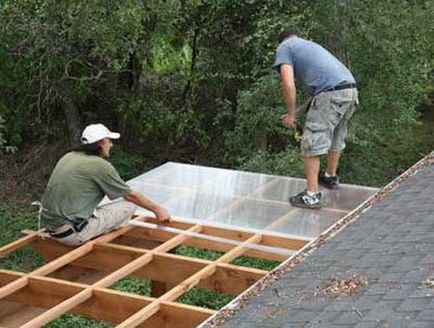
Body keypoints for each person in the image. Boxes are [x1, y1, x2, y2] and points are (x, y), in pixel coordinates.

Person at [40, 123, 171, 246]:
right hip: (71, 234)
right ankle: (108, 240)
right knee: (129, 206)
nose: (111, 145)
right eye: (109, 141)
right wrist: (157, 209)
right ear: (101, 143)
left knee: (99, 205)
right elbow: (130, 196)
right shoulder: (100, 165)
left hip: (49, 227)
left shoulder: (68, 156)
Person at [274, 27, 359, 209]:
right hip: (350, 91)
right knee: (336, 134)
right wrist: (296, 114)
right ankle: (330, 177)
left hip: (331, 93)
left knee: (311, 141)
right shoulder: (310, 46)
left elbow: (288, 84)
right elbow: (320, 94)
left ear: (282, 41)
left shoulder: (285, 47)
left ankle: (311, 195)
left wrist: (290, 114)